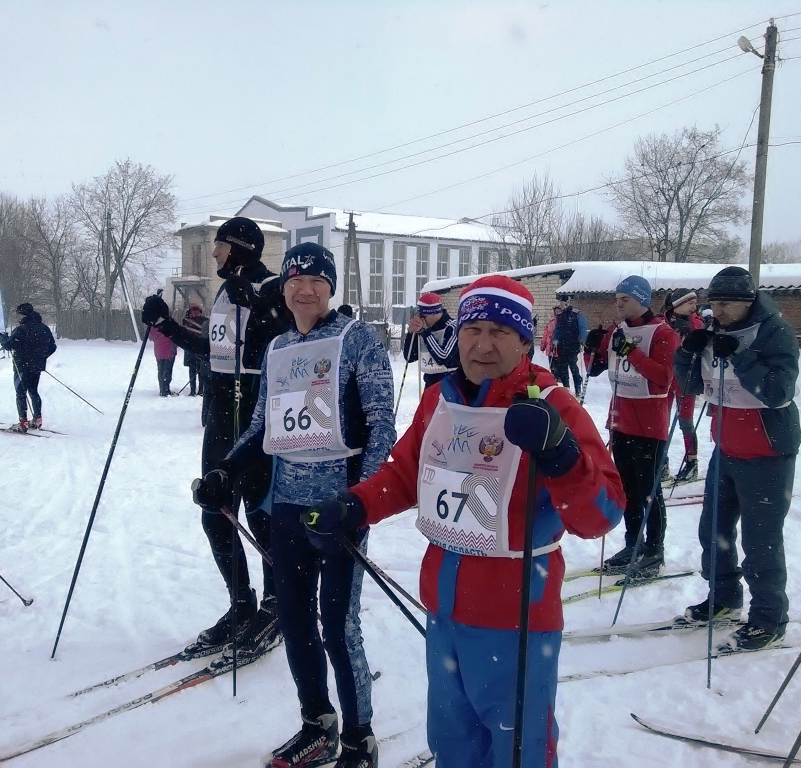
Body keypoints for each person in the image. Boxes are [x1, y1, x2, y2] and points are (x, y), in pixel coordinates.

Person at [303, 275, 624, 767]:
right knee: (452, 742)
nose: (483, 344)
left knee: (519, 750)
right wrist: (354, 506)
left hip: (516, 615)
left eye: (500, 332)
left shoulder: (552, 404)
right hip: (443, 609)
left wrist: (561, 455)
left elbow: (603, 514)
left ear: (525, 341)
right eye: (473, 330)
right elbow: (405, 473)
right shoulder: (441, 399)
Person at [195, 242, 396, 768]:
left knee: (339, 627)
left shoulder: (357, 339)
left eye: (317, 281)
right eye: (295, 281)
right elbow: (262, 427)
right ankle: (317, 725)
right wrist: (225, 472)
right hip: (286, 508)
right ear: (284, 288)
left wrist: (359, 499)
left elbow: (382, 426)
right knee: (297, 620)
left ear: (330, 288)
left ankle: (359, 740)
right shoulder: (279, 347)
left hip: (338, 511)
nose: (305, 290)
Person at [141, 216, 289, 656]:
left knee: (261, 517)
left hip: (255, 412)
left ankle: (276, 605)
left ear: (239, 247)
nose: (213, 252)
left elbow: (286, 339)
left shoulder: (271, 286)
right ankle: (241, 603)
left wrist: (258, 307)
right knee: (215, 511)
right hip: (221, 414)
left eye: (219, 245)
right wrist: (166, 325)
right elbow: (212, 348)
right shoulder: (225, 292)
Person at [675, 267, 801, 650]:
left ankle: (769, 619)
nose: (717, 311)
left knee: (761, 541)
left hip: (766, 452)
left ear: (748, 302)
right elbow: (690, 385)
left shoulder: (775, 331)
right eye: (713, 303)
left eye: (726, 304)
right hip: (726, 446)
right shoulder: (715, 329)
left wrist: (742, 356)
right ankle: (724, 598)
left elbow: (778, 391)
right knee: (713, 530)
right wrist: (688, 351)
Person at [584, 275, 677, 575]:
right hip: (620, 420)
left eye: (625, 299)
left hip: (649, 425)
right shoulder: (617, 330)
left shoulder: (663, 333)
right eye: (617, 299)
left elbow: (663, 376)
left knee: (649, 490)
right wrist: (591, 348)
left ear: (641, 299)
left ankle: (655, 549)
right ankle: (633, 543)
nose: (619, 304)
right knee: (627, 489)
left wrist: (631, 352)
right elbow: (595, 369)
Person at [662, 289, 704, 484]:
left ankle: (691, 463)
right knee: (661, 421)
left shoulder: (697, 323)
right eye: (690, 303)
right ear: (678, 305)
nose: (694, 307)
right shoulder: (663, 322)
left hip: (686, 378)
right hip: (665, 378)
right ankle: (661, 463)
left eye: (695, 303)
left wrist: (691, 336)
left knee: (685, 420)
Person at [0, 303, 57, 432]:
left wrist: (2, 338)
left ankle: (23, 422)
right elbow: (52, 347)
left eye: (18, 314)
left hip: (22, 367)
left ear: (23, 314)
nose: (17, 317)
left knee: (20, 393)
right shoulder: (44, 328)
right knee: (33, 391)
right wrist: (41, 357)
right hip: (36, 366)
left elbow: (9, 345)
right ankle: (37, 418)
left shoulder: (21, 330)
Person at [403, 292, 459, 388]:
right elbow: (410, 357)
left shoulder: (452, 328)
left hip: (451, 384)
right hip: (430, 383)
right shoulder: (425, 328)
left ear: (434, 313)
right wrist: (411, 333)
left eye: (423, 317)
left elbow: (443, 358)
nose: (421, 320)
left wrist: (425, 333)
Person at [550, 294, 587, 395]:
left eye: (563, 302)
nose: (562, 304)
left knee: (573, 366)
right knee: (563, 368)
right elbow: (557, 329)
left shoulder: (577, 314)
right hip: (562, 345)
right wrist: (555, 340)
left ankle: (578, 388)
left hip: (573, 345)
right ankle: (566, 388)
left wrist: (582, 339)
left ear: (568, 302)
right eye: (561, 302)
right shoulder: (560, 315)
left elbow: (583, 327)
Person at [181, 303, 207, 399]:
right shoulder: (187, 321)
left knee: (197, 372)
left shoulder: (202, 321)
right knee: (196, 371)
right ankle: (196, 390)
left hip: (196, 349)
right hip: (195, 350)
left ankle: (197, 390)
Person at [150, 323, 178, 397]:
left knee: (161, 371)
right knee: (167, 372)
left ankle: (162, 389)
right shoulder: (168, 326)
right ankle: (165, 390)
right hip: (169, 352)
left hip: (159, 351)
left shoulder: (154, 327)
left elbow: (153, 335)